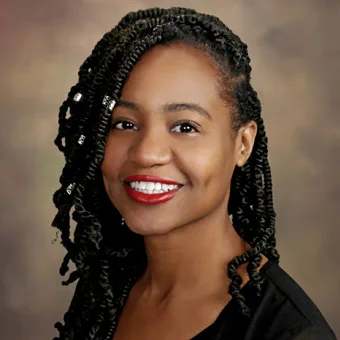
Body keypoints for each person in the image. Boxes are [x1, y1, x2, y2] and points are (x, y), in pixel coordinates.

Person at [51, 6, 337, 340]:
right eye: (125, 124)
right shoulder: (107, 287)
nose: (147, 153)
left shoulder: (290, 333)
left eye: (185, 126)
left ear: (243, 144)